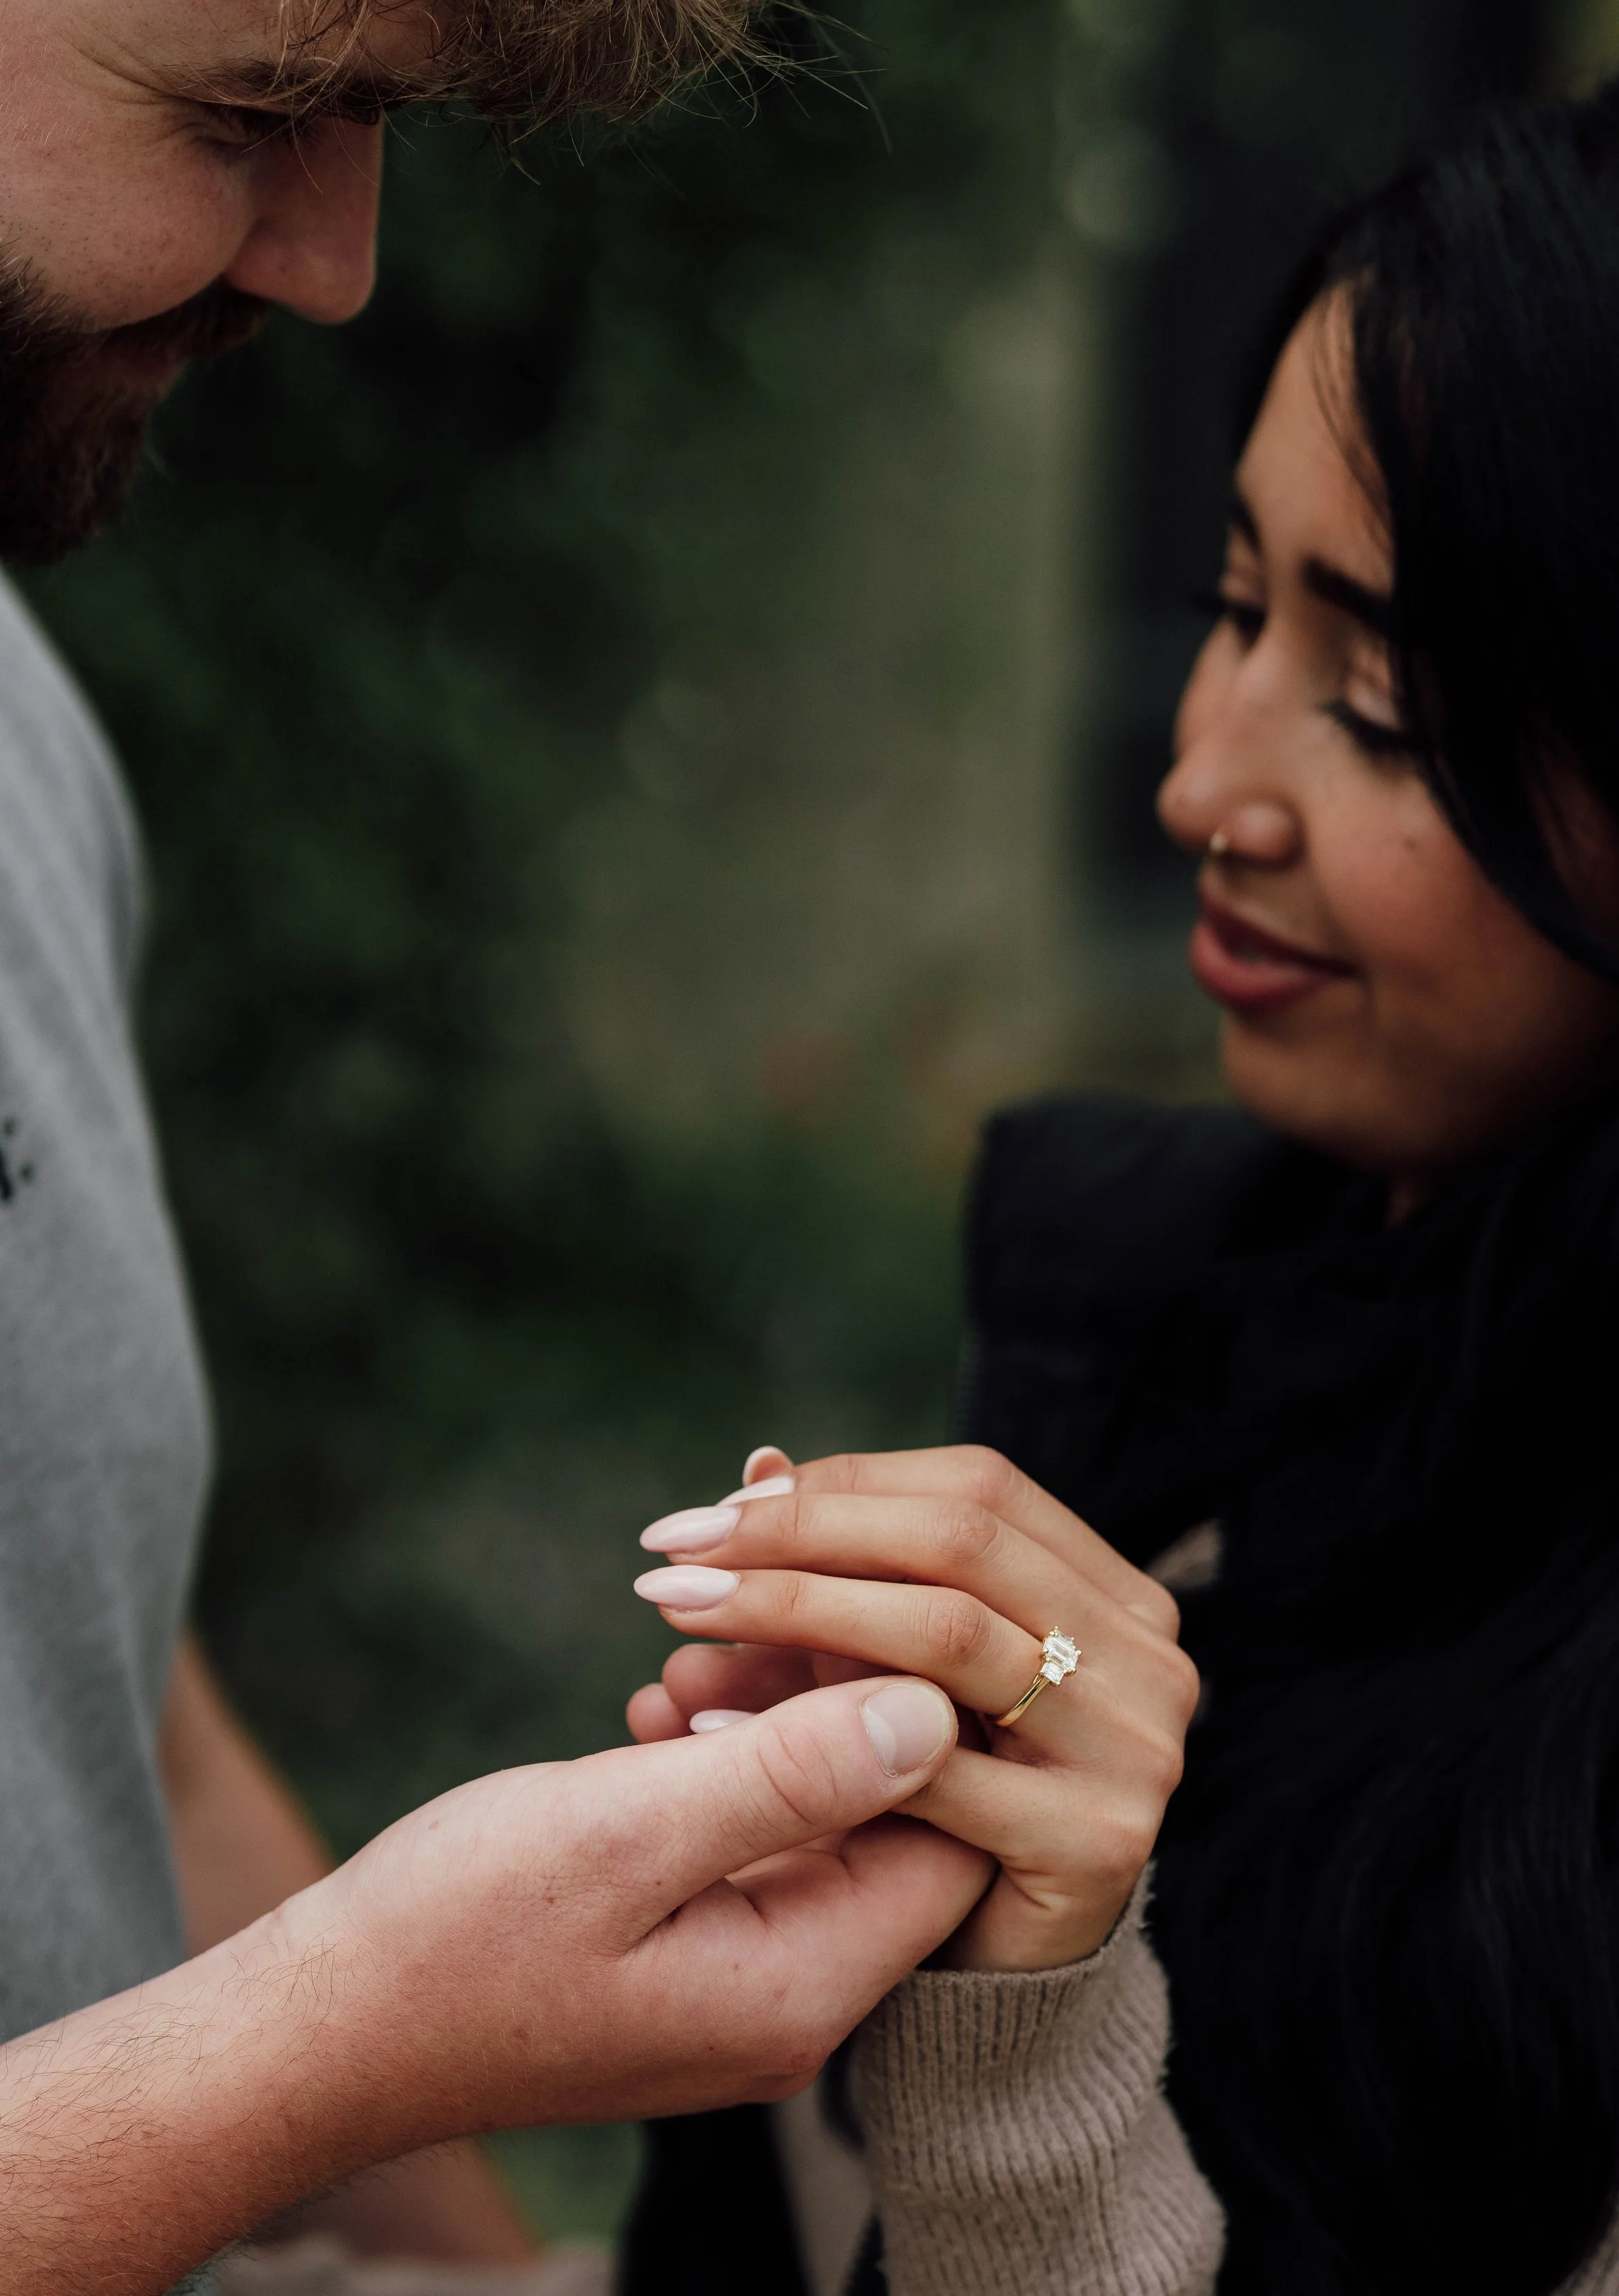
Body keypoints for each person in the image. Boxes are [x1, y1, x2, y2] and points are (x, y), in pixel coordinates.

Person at [0, 1, 1060, 2287]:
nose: (336, 261)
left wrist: (500, 2263)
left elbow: (105, 1729)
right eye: (252, 109)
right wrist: (325, 2049)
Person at [617, 78, 1619, 2296]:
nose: (1196, 778)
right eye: (1231, 600)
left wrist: (1035, 2017)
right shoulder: (1158, 1298)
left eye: (1380, 703)